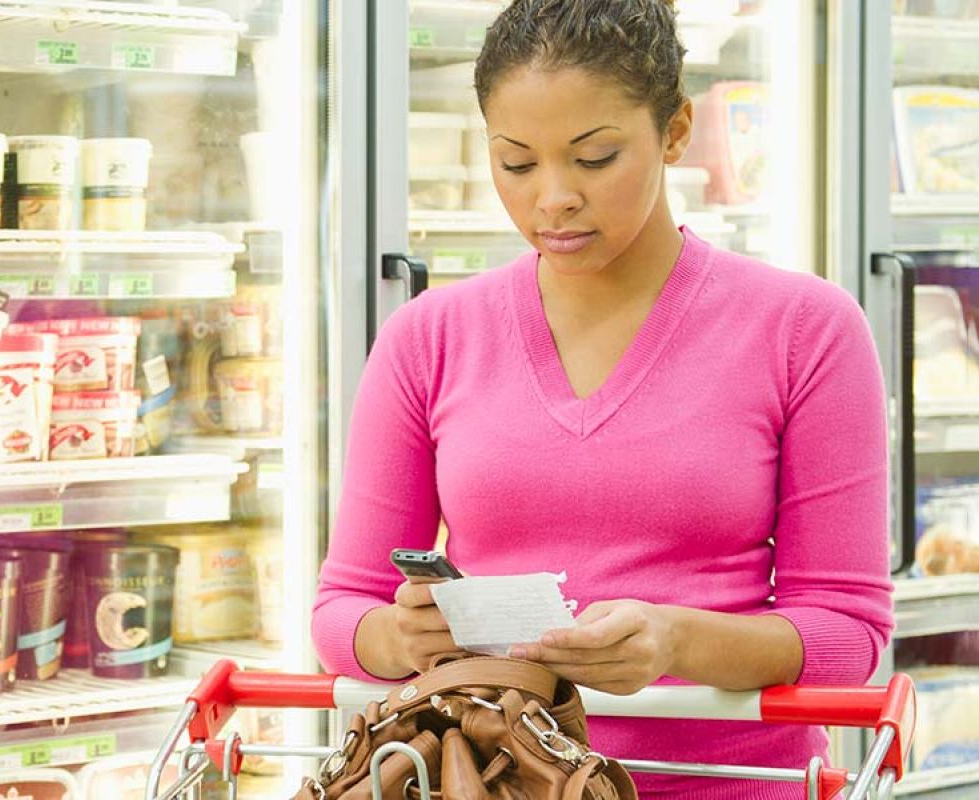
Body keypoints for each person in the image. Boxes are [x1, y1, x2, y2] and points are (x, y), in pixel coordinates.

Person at [312, 0, 894, 797]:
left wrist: (675, 639)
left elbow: (845, 631)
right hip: (492, 777)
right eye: (516, 164)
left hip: (720, 780)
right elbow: (341, 611)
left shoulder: (806, 329)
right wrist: (396, 636)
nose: (551, 198)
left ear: (675, 132)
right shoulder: (427, 336)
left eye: (594, 158)